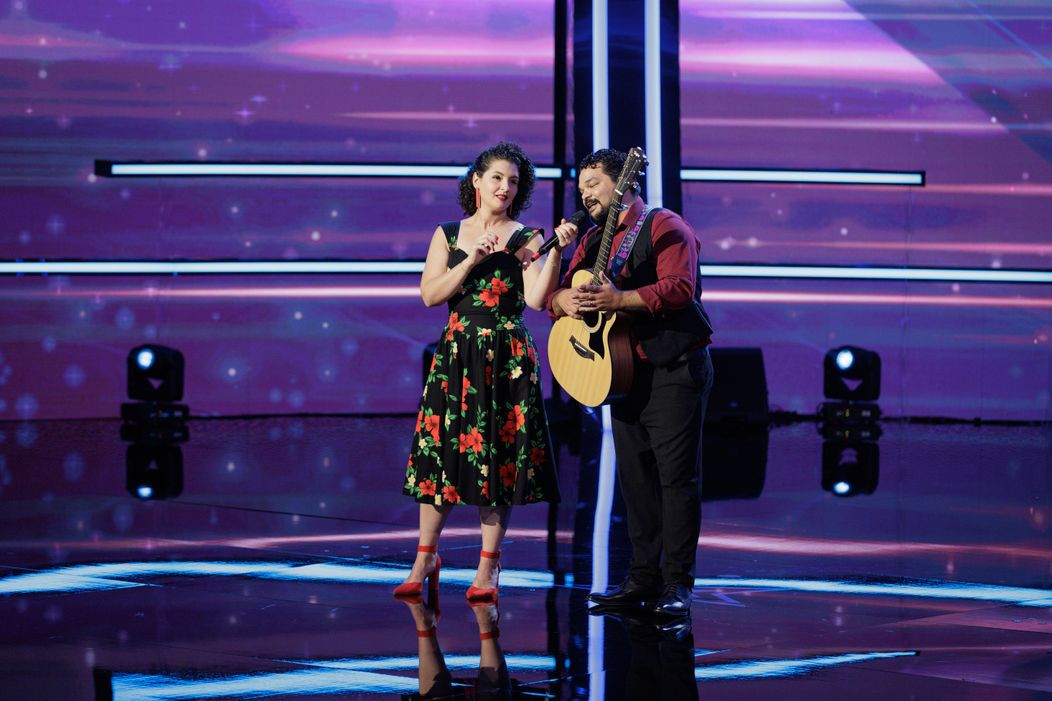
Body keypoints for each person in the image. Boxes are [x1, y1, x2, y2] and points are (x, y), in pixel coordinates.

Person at [397, 142, 579, 602]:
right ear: (476, 181)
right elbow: (430, 295)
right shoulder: (448, 233)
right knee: (439, 455)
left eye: (514, 181)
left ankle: (488, 567)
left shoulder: (527, 237)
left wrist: (556, 252)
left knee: (497, 459)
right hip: (457, 354)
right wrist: (471, 260)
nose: (505, 187)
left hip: (507, 356)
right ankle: (425, 558)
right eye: (497, 177)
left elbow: (536, 300)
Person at [549, 148, 714, 616]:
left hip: (673, 368)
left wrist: (619, 299)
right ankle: (641, 578)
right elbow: (559, 295)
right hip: (620, 372)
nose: (584, 194)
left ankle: (677, 584)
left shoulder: (664, 225)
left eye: (593, 184)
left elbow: (679, 288)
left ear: (624, 184)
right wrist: (564, 301)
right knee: (635, 481)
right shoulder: (593, 238)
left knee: (675, 480)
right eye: (581, 186)